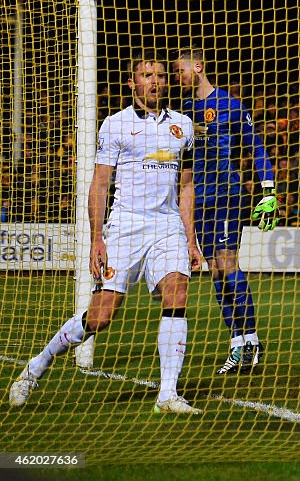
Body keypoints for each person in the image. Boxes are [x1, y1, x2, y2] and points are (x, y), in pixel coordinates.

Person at [9, 50, 203, 413]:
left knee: (177, 291)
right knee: (101, 316)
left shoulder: (183, 126)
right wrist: (97, 238)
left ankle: (167, 395)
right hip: (125, 225)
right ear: (132, 83)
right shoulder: (114, 124)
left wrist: (190, 239)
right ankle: (37, 366)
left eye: (160, 75)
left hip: (167, 225)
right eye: (146, 75)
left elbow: (187, 185)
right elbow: (99, 185)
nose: (155, 81)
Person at [172, 50, 277, 376]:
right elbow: (185, 167)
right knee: (215, 271)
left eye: (180, 70)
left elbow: (256, 146)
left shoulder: (230, 105)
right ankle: (235, 343)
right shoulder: (186, 111)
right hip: (200, 200)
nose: (178, 76)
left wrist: (268, 190)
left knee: (228, 264)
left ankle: (252, 341)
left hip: (229, 195)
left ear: (198, 67)